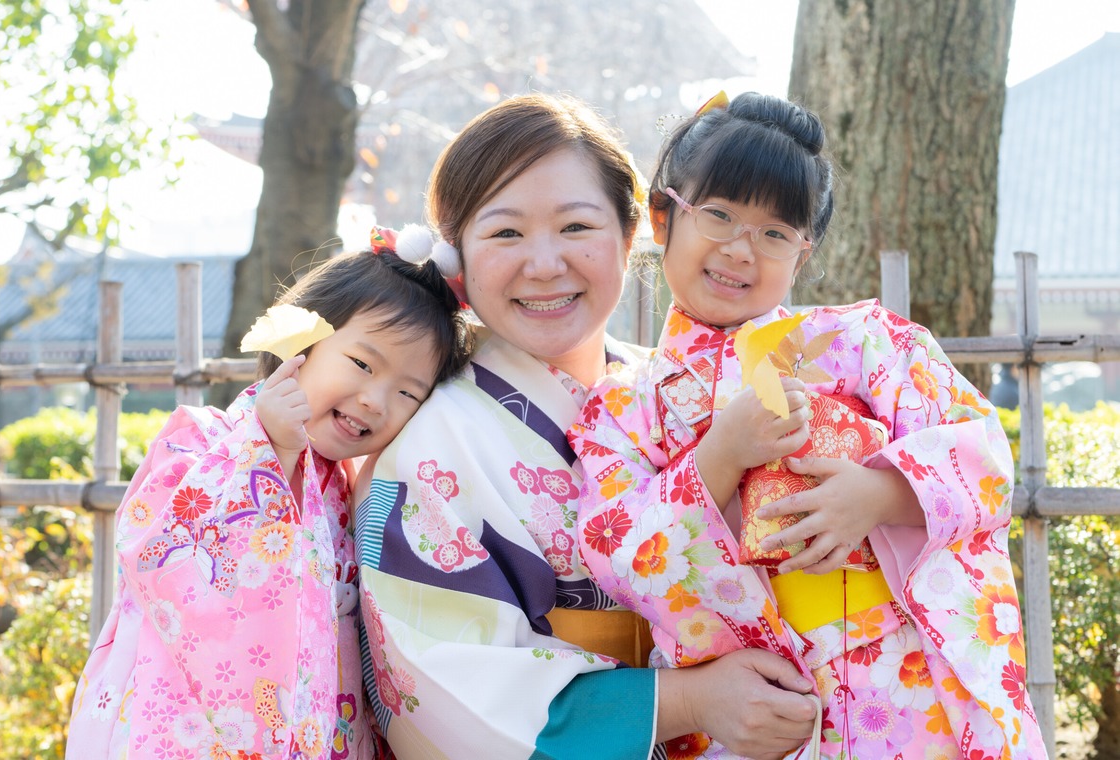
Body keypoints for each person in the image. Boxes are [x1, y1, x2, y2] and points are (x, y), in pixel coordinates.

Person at [569, 92, 1046, 759]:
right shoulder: (620, 408)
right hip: (759, 712)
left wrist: (884, 494)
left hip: (906, 689)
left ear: (804, 250)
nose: (741, 249)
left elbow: (982, 453)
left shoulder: (864, 342)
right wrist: (723, 452)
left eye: (774, 232)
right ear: (661, 216)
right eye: (719, 215)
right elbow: (616, 551)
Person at [354, 93, 818, 760]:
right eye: (506, 233)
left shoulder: (678, 390)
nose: (544, 264)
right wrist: (686, 702)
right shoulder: (430, 441)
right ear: (456, 258)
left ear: (635, 236)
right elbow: (441, 686)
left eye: (576, 227)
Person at [67, 238, 472, 760]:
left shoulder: (354, 491)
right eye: (363, 364)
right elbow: (157, 555)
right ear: (301, 342)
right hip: (186, 728)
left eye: (408, 393)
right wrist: (268, 456)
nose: (376, 399)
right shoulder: (200, 440)